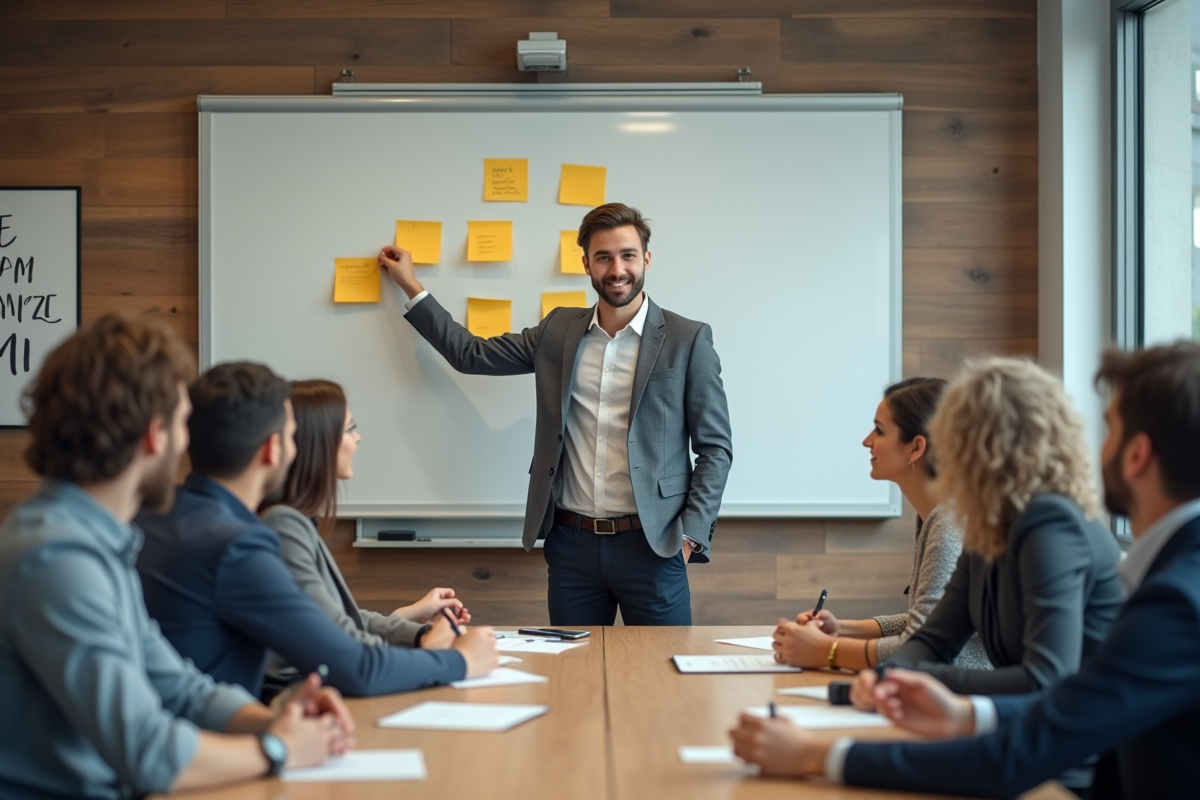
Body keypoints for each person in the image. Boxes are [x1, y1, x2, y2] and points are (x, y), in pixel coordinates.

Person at [729, 343, 1200, 800]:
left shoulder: (1058, 527)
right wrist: (896, 682)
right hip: (1044, 746)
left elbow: (1045, 694)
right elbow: (935, 638)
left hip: (1061, 770)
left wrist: (826, 747)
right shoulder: (990, 522)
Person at [0, 314, 352, 800]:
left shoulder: (96, 542)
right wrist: (278, 748)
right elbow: (147, 751)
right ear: (154, 434)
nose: (189, 443)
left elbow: (181, 688)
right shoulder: (57, 559)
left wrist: (274, 722)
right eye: (184, 424)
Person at [379, 202, 733, 626]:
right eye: (603, 257)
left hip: (654, 547)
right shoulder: (557, 332)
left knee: (662, 678)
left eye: (627, 255)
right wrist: (410, 284)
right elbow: (469, 354)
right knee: (574, 682)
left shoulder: (687, 339)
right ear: (586, 263)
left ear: (646, 259)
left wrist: (689, 536)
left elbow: (715, 448)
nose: (616, 268)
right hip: (573, 548)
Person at [136, 361, 498, 699]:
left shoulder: (159, 519)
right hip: (213, 743)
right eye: (293, 438)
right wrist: (461, 660)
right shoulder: (239, 544)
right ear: (273, 449)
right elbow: (354, 665)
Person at [840, 358, 1121, 704]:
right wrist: (884, 675)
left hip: (1083, 742)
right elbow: (934, 640)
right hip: (1030, 727)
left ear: (987, 445)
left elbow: (1045, 679)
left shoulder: (1051, 525)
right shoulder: (989, 523)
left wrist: (910, 678)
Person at [259, 378, 471, 693]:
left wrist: (416, 628)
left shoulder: (299, 521)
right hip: (305, 694)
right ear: (320, 441)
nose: (358, 438)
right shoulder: (283, 526)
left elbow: (345, 620)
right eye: (350, 428)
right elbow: (342, 640)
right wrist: (445, 655)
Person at [772, 377, 990, 672]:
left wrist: (828, 651)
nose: (867, 441)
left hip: (962, 694)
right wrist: (845, 628)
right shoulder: (938, 514)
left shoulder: (950, 523)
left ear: (916, 448)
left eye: (879, 430)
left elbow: (923, 648)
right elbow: (931, 617)